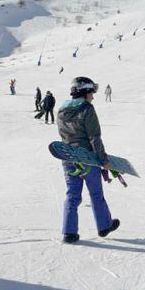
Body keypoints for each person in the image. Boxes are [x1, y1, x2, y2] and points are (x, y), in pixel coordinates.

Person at [56, 77, 120, 243]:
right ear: (85, 92)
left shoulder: (62, 110)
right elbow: (94, 137)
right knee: (96, 193)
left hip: (68, 157)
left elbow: (64, 135)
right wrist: (103, 160)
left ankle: (69, 232)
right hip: (87, 159)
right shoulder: (87, 109)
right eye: (92, 92)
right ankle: (104, 225)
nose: (93, 96)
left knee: (72, 194)